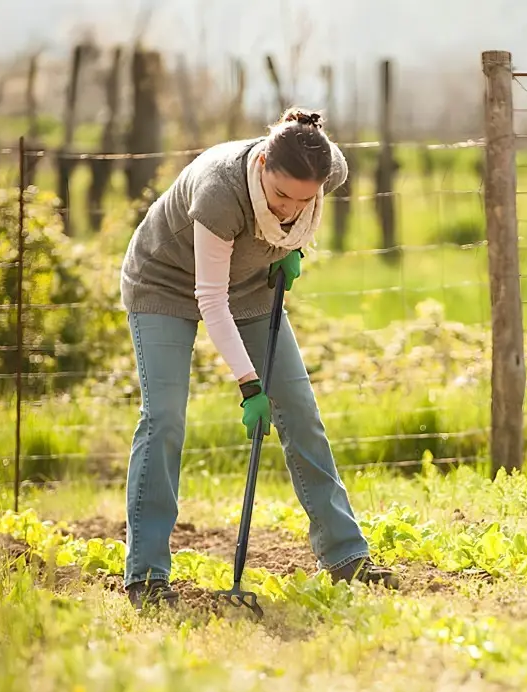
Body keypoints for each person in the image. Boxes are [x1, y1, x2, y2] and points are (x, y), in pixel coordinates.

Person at [119, 107, 399, 610]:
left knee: (301, 412)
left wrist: (291, 248)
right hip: (164, 283)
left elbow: (290, 224)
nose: (291, 210)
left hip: (249, 288)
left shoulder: (326, 167)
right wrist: (250, 386)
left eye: (303, 201)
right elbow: (210, 299)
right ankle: (146, 576)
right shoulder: (219, 191)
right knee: (163, 420)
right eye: (281, 196)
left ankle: (345, 557)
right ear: (263, 162)